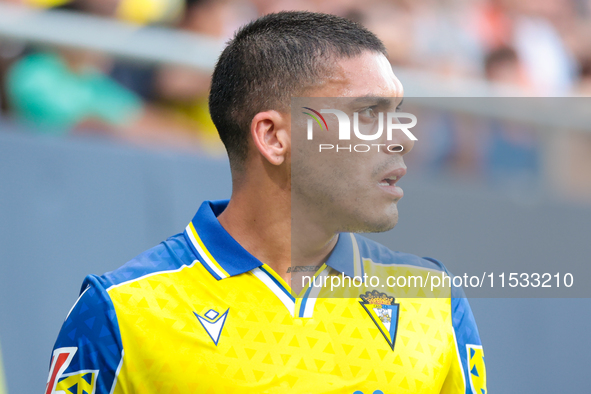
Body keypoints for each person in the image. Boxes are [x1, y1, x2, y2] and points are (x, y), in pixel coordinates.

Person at [45, 11, 487, 394]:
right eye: (369, 114)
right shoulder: (122, 312)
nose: (403, 138)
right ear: (274, 137)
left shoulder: (434, 301)